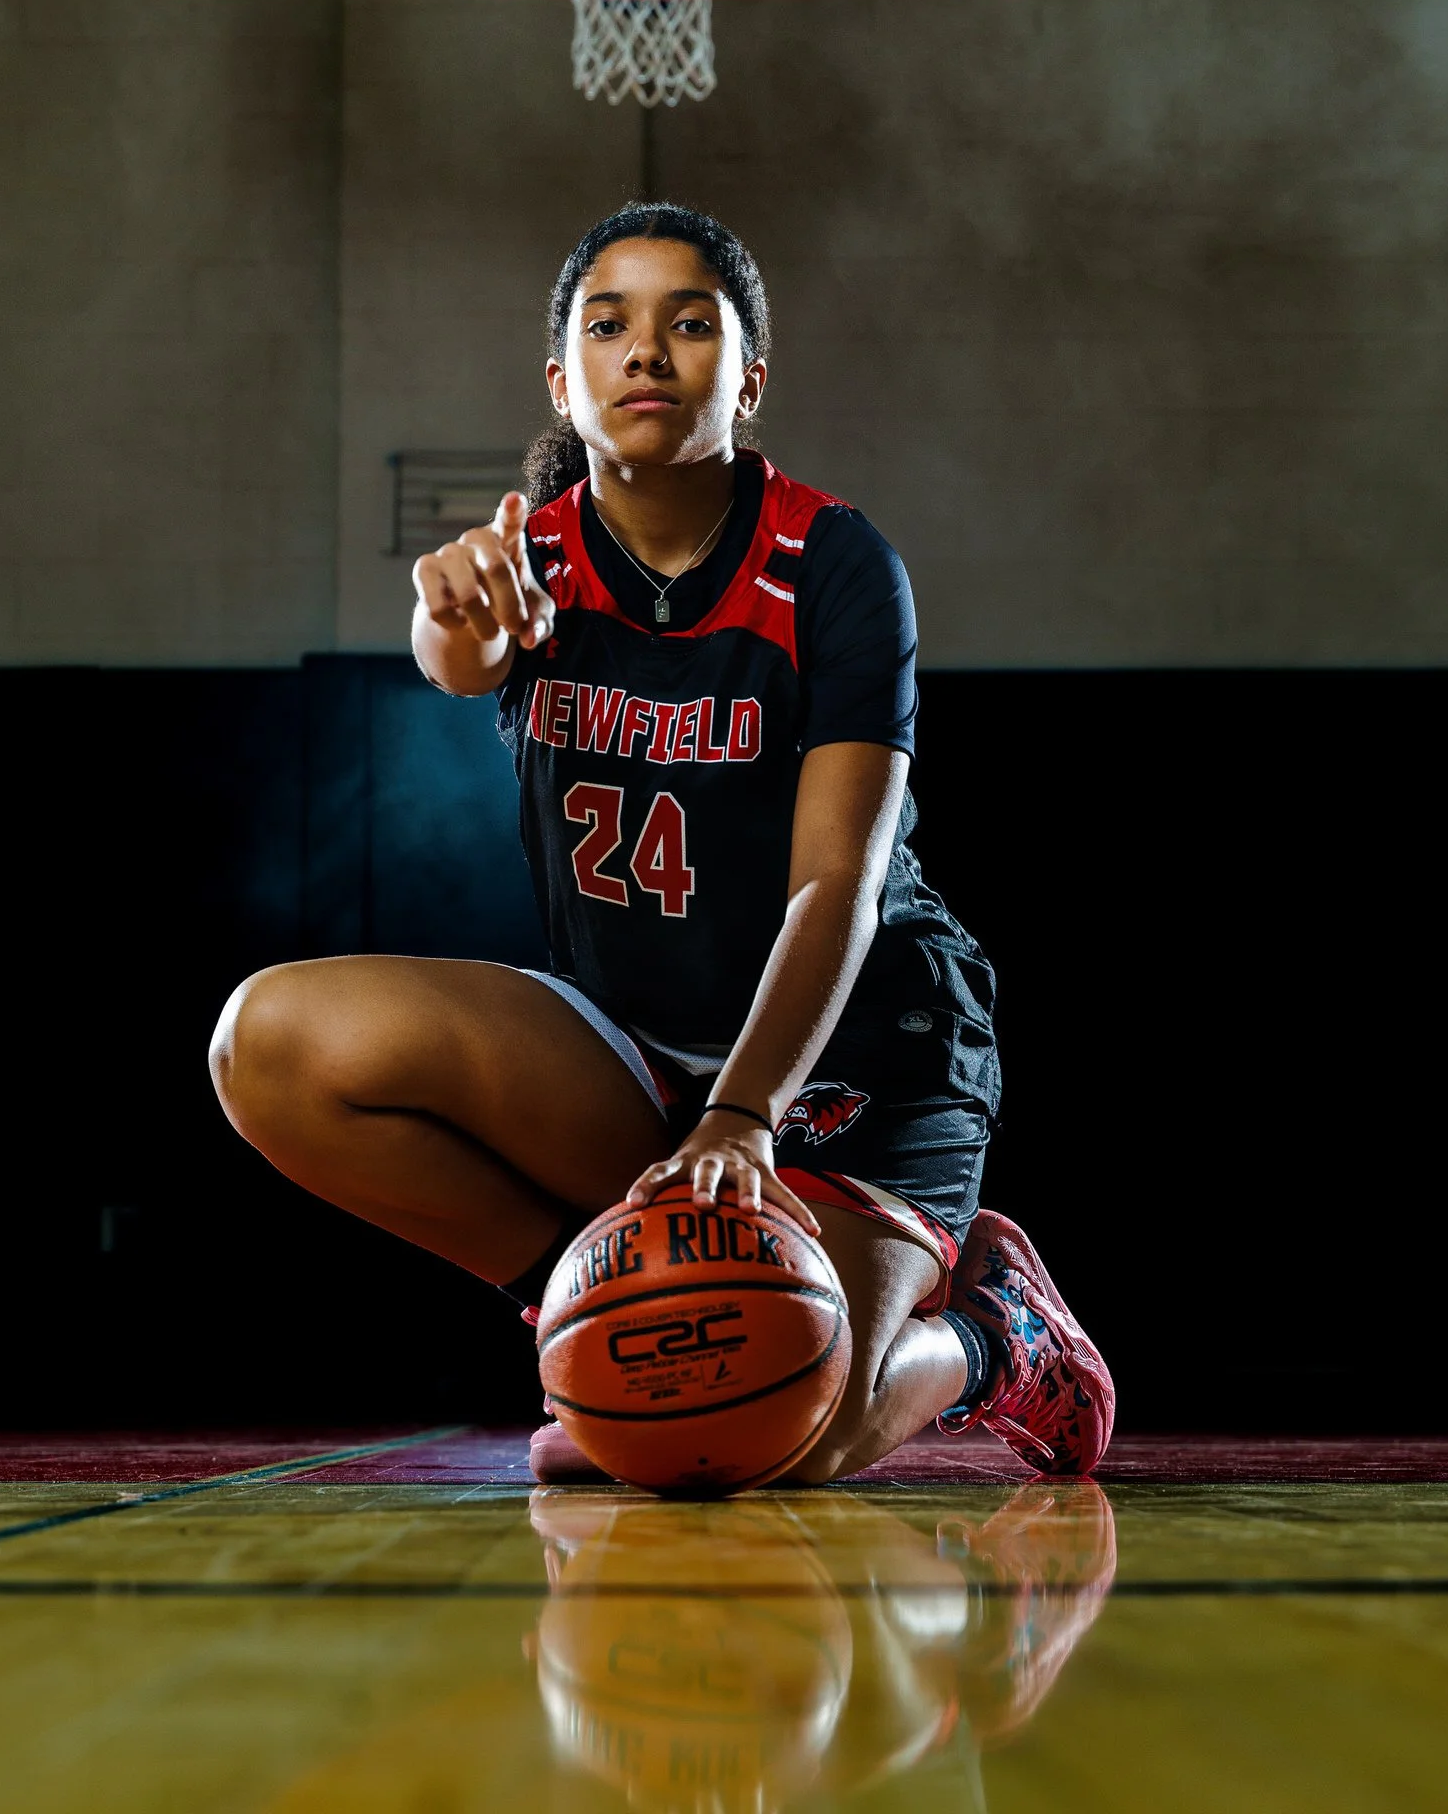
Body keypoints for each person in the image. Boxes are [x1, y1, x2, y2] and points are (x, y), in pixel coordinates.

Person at [210, 202, 1113, 1482]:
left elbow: (838, 885)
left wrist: (747, 1118)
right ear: (561, 379)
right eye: (609, 322)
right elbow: (457, 655)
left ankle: (995, 1333)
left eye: (690, 323)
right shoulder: (527, 565)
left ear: (745, 378)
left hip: (861, 1048)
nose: (646, 351)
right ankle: (590, 1325)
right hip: (639, 1059)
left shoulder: (838, 565)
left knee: (789, 1427)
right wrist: (452, 604)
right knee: (270, 1044)